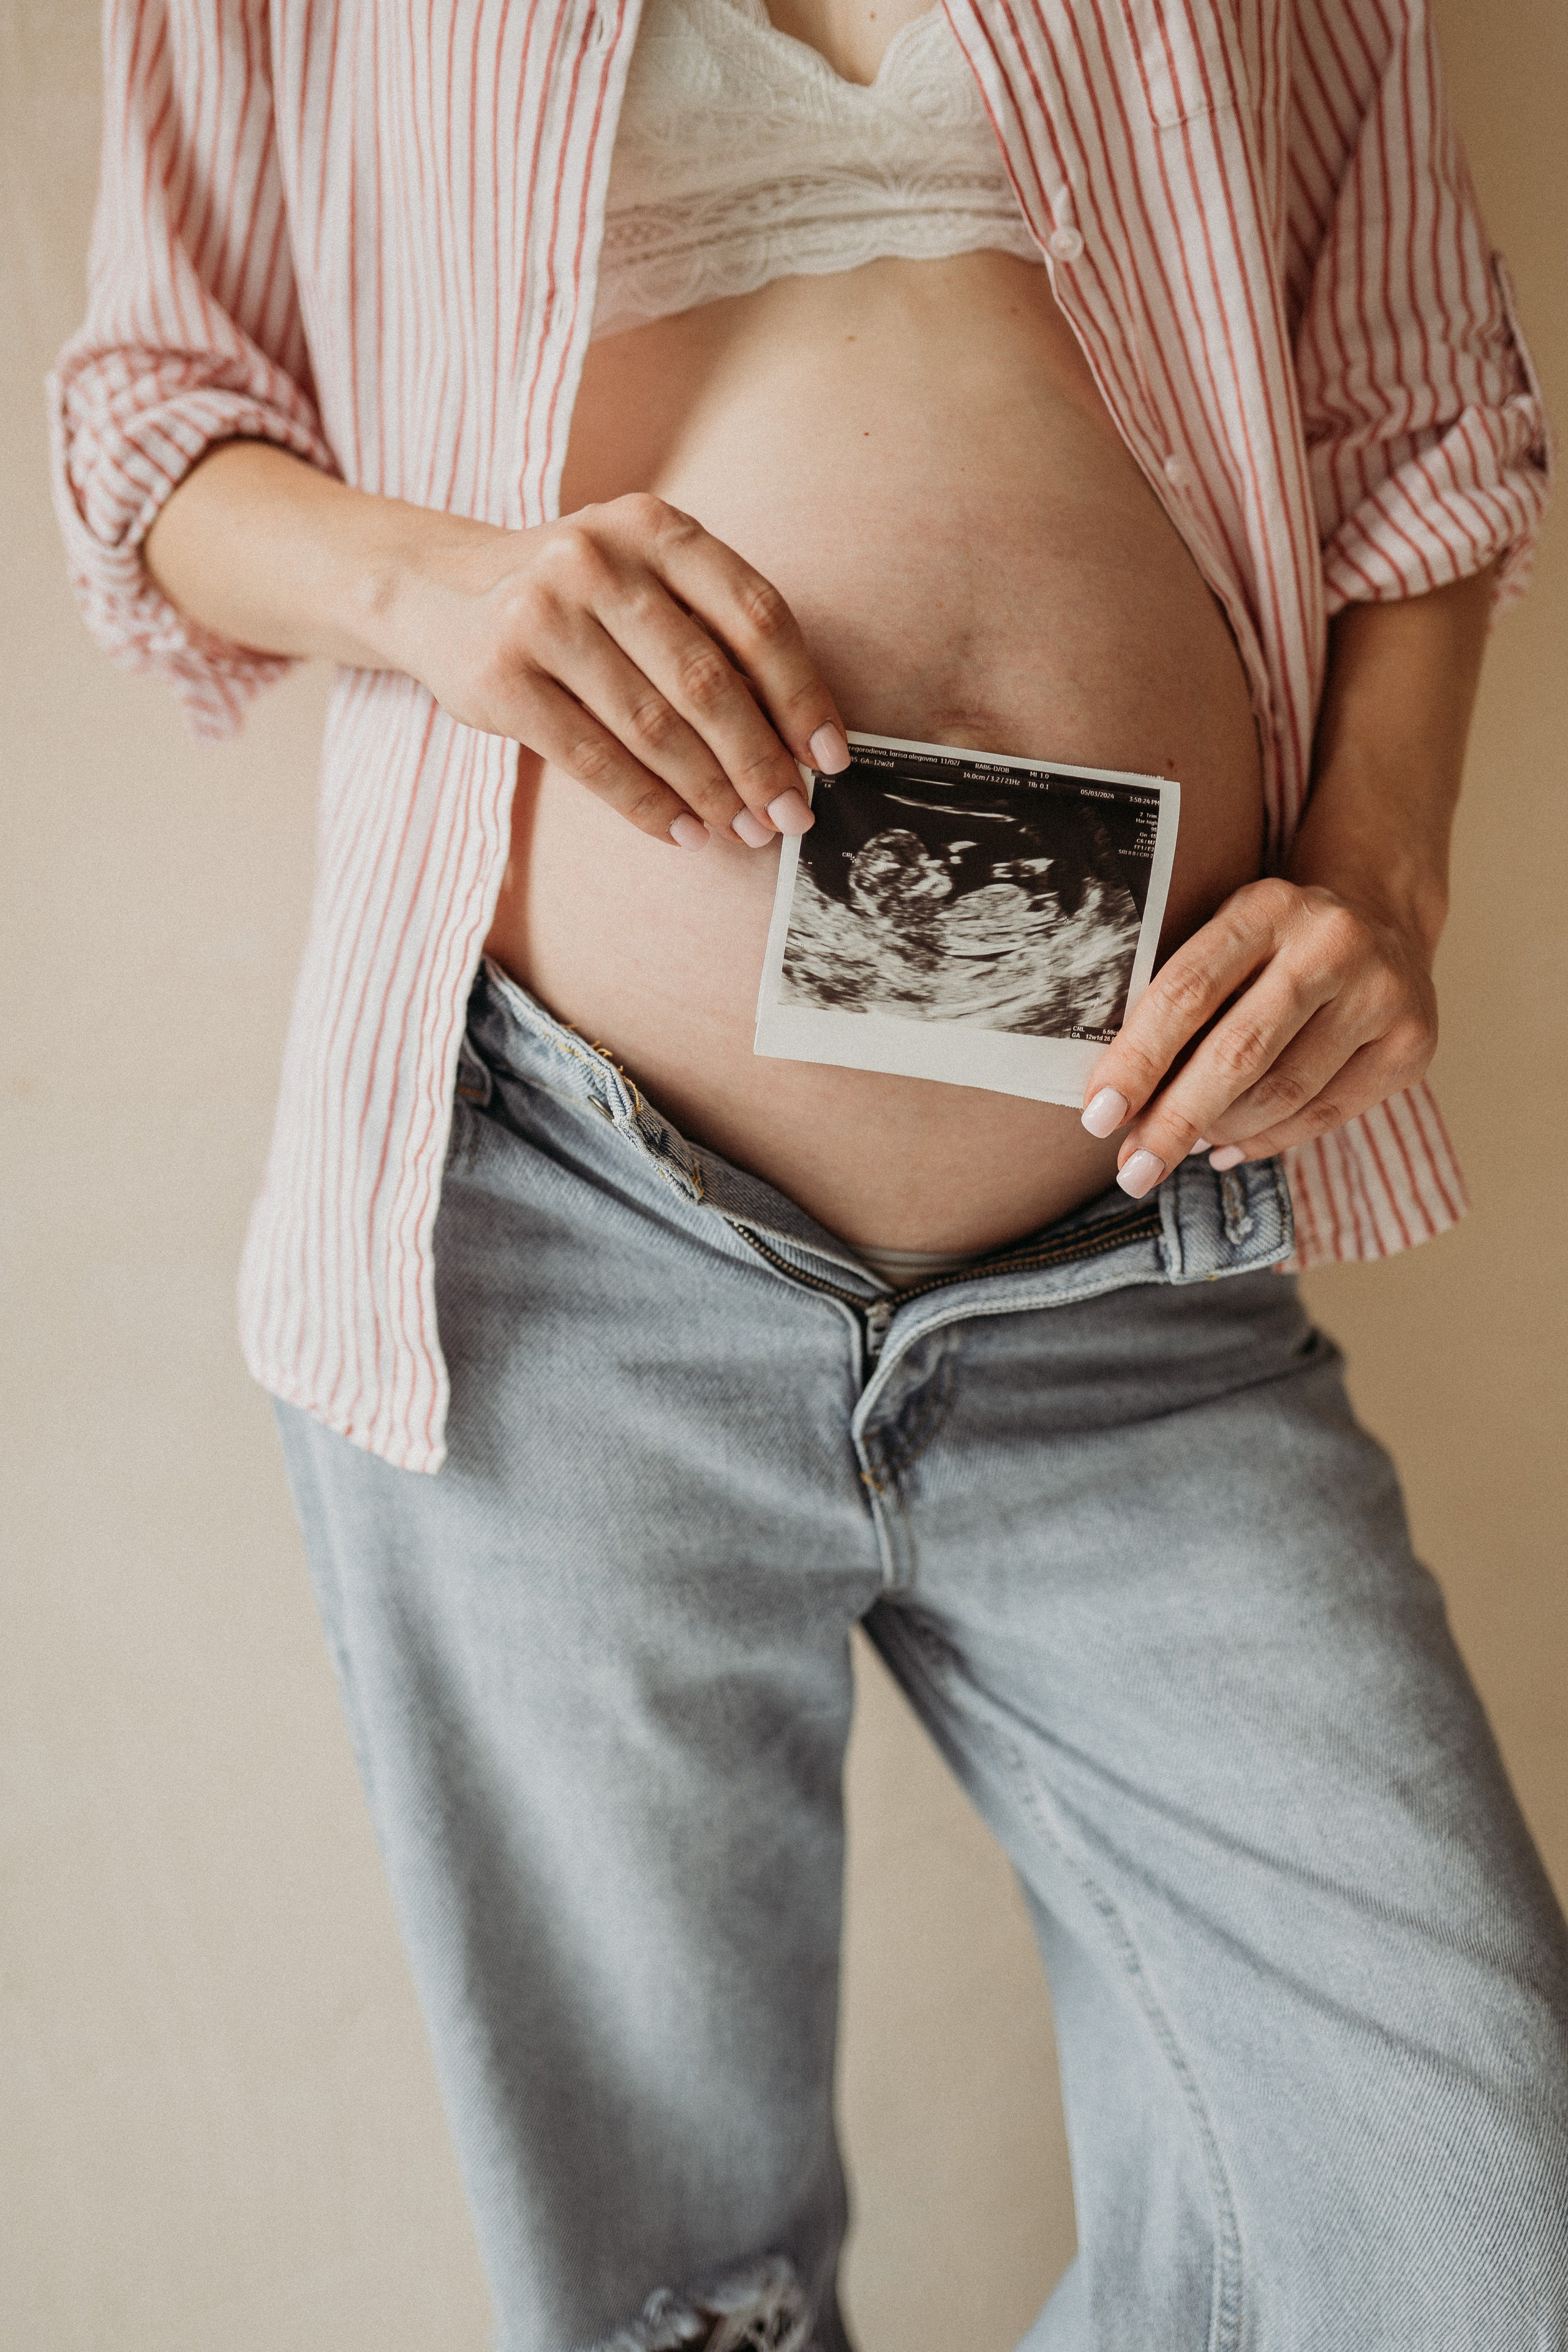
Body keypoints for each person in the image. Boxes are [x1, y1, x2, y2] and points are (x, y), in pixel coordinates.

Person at [50, 0, 1568, 2344]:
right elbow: (155, 424)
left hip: (1134, 1261)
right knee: (691, 2300)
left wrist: (1381, 872)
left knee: (1478, 2203)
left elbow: (1421, 411)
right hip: (561, 1257)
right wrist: (446, 592)